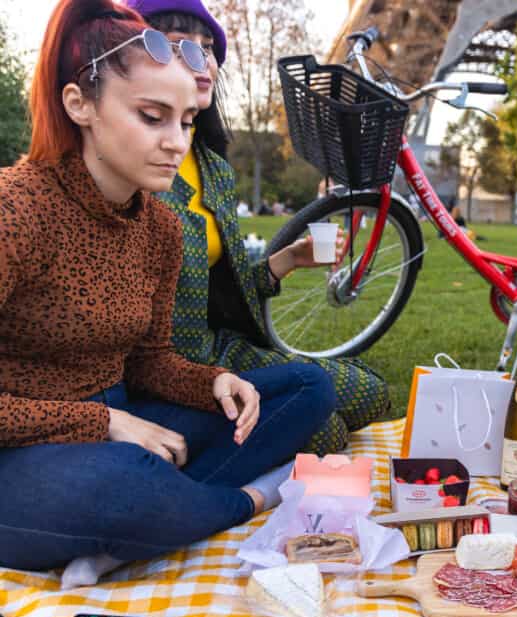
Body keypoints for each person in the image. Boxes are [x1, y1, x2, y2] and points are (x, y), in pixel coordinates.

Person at [0, 0, 337, 584]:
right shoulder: (16, 209)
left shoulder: (159, 226)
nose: (175, 142)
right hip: (23, 449)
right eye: (151, 117)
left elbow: (150, 362)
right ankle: (250, 499)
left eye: (184, 121)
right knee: (129, 484)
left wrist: (214, 382)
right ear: (80, 104)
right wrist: (99, 425)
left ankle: (143, 529)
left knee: (306, 387)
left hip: (125, 420)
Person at [126, 0, 390, 454]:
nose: (201, 60)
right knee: (326, 430)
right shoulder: (132, 166)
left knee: (371, 391)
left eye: (207, 48)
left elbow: (217, 287)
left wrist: (288, 259)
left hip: (221, 351)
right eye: (176, 45)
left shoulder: (212, 168)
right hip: (166, 375)